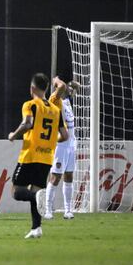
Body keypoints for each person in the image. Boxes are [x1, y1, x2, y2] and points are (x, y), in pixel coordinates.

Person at [8, 73, 68, 239]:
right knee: (37, 189)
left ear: (32, 88)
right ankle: (36, 228)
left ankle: (36, 198)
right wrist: (50, 141)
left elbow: (27, 123)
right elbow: (65, 135)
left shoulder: (30, 104)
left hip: (30, 155)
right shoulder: (56, 110)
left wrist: (13, 135)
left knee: (16, 192)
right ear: (46, 89)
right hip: (46, 157)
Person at [45, 77, 81, 220]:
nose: (67, 90)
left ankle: (67, 210)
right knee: (55, 176)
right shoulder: (54, 100)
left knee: (69, 176)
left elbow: (71, 90)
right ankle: (48, 210)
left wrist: (73, 86)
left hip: (71, 143)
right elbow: (61, 86)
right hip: (60, 143)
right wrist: (56, 80)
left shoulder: (66, 102)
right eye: (66, 89)